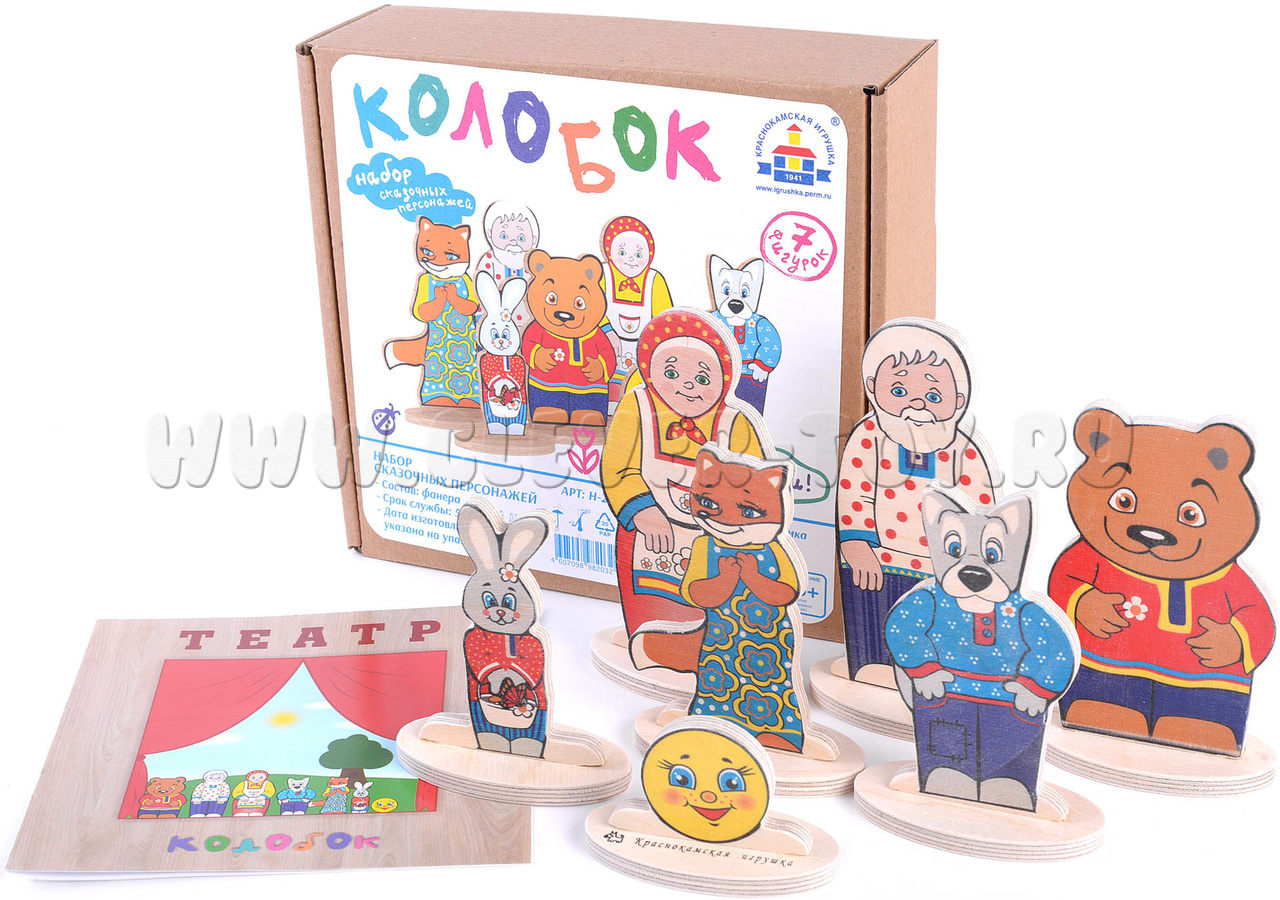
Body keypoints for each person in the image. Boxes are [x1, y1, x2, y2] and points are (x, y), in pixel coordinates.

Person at [601, 310, 763, 673]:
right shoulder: (636, 405)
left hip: (712, 540)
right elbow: (617, 467)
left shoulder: (736, 421)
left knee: (709, 601)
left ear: (724, 379)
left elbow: (753, 484)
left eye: (702, 378)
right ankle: (645, 644)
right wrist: (643, 511)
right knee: (649, 602)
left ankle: (705, 655)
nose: (687, 386)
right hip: (646, 537)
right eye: (672, 373)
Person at [837, 319, 996, 681]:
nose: (917, 404)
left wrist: (968, 564)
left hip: (942, 568)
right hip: (877, 561)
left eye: (934, 397)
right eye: (898, 390)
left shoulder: (966, 449)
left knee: (936, 632)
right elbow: (853, 492)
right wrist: (856, 543)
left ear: (958, 401)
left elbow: (980, 513)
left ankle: (933, 676)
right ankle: (873, 666)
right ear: (872, 388)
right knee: (872, 622)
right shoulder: (868, 436)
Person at [599, 216, 672, 414]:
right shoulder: (603, 274)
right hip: (607, 346)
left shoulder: (655, 280)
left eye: (638, 254)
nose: (631, 259)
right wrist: (607, 330)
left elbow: (664, 320)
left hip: (641, 350)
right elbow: (592, 307)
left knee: (636, 392)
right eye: (622, 252)